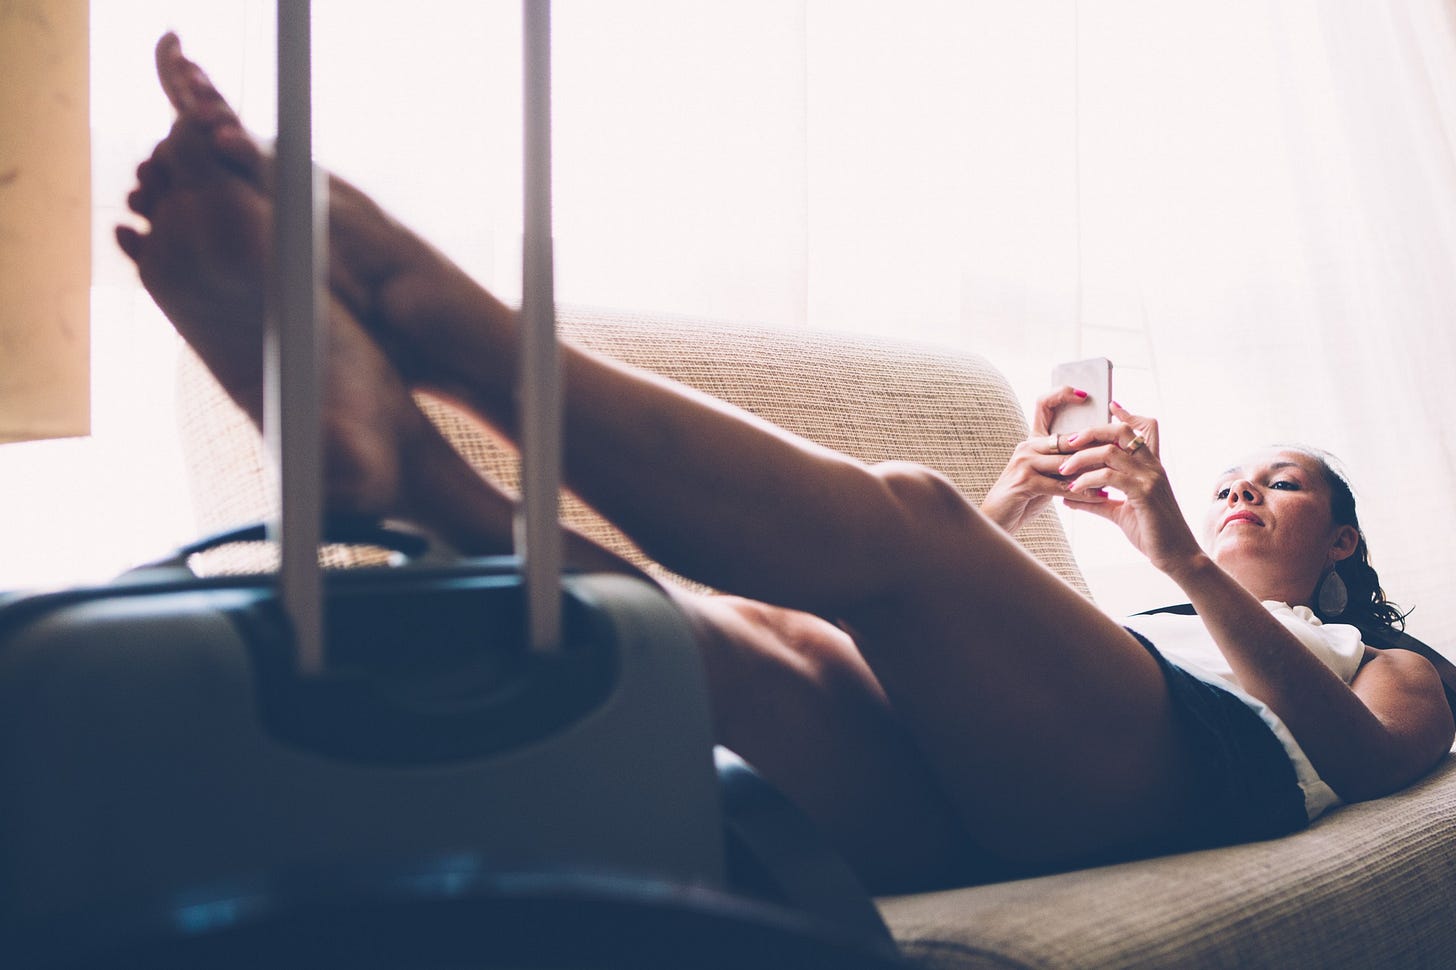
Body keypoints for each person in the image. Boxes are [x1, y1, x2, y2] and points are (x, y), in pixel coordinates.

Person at [117, 33, 1453, 894]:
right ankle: (413, 474)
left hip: (1199, 760)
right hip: (1023, 767)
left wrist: (1173, 562)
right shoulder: (1143, 616)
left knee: (911, 515)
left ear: (1341, 539)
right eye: (1230, 478)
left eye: (1277, 484)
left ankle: (438, 321)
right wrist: (1021, 509)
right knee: (742, 645)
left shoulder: (1393, 658)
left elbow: (1378, 765)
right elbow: (964, 654)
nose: (1237, 492)